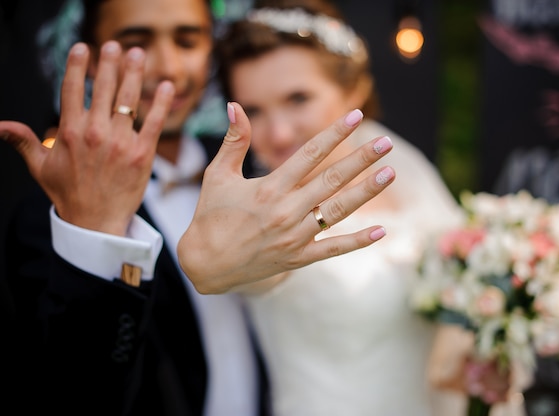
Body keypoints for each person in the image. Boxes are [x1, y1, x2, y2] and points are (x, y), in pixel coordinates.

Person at [0, 0, 395, 414]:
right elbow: (73, 395)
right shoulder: (53, 217)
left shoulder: (259, 170)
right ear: (95, 58)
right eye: (136, 43)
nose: (168, 66)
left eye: (187, 41)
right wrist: (99, 233)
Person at [212, 1, 517, 414]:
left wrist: (480, 363)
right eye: (254, 111)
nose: (278, 132)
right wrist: (210, 262)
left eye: (298, 98)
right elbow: (234, 268)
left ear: (354, 89)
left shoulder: (404, 169)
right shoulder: (261, 215)